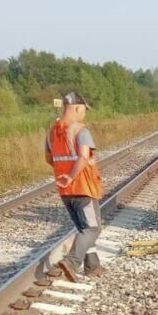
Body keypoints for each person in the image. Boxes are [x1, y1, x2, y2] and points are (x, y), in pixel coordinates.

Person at [45, 91, 104, 281]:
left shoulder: (52, 131)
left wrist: (64, 175)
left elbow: (49, 158)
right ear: (77, 108)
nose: (85, 113)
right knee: (93, 229)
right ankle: (72, 262)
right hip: (83, 188)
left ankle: (93, 266)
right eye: (84, 110)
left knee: (84, 228)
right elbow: (83, 157)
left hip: (65, 191)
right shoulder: (81, 131)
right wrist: (71, 176)